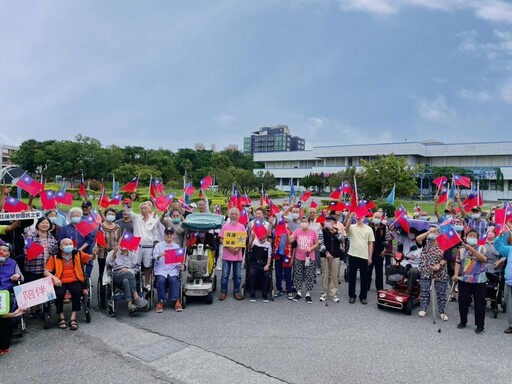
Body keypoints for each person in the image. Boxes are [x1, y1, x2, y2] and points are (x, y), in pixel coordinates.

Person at [44, 238, 90, 330]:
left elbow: (89, 258)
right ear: (60, 247)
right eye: (66, 244)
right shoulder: (54, 257)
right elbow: (46, 272)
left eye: (70, 244)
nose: (69, 246)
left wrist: (94, 254)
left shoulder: (78, 254)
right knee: (58, 294)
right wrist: (54, 278)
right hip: (60, 280)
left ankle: (73, 317)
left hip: (75, 279)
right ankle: (61, 316)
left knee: (77, 291)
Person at [453, 229, 488, 334]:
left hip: (479, 280)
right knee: (463, 302)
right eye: (470, 236)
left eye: (474, 236)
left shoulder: (482, 248)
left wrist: (471, 250)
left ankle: (480, 325)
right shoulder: (461, 250)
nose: (471, 238)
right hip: (464, 279)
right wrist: (455, 274)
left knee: (479, 303)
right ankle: (463, 321)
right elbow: (458, 262)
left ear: (477, 239)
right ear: (466, 237)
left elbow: (484, 259)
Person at [416, 225, 449, 320]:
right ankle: (423, 308)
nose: (433, 233)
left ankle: (442, 311)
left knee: (441, 292)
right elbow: (418, 239)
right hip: (426, 268)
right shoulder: (426, 241)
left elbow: (447, 257)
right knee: (424, 290)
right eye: (432, 232)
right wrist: (428, 233)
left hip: (440, 270)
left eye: (435, 232)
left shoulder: (444, 241)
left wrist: (439, 265)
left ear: (439, 233)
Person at [127, 200, 160, 291]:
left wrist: (155, 246)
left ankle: (147, 283)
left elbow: (155, 234)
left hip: (148, 246)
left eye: (145, 208)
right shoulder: (136, 218)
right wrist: (130, 201)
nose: (143, 210)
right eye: (141, 208)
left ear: (149, 209)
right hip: (137, 245)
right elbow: (128, 211)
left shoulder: (154, 221)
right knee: (134, 265)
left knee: (147, 266)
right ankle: (135, 283)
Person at [106, 245, 149, 313]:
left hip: (129, 274)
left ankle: (129, 303)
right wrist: (114, 253)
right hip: (117, 274)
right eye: (121, 243)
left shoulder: (132, 254)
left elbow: (136, 268)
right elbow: (108, 263)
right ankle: (136, 296)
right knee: (129, 274)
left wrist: (128, 270)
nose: (123, 245)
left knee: (126, 280)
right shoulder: (113, 252)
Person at [0, 242, 24, 355]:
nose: (2, 252)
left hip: (7, 291)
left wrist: (17, 276)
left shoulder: (12, 263)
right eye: (0, 250)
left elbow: (21, 277)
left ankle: (4, 346)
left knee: (6, 311)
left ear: (9, 253)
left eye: (5, 250)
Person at [345, 212, 375, 304]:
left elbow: (371, 243)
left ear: (364, 217)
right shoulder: (352, 227)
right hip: (353, 255)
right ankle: (352, 295)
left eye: (361, 216)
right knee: (352, 277)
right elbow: (346, 228)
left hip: (364, 256)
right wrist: (350, 217)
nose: (359, 218)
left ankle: (363, 296)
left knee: (364, 278)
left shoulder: (369, 229)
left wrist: (370, 257)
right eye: (357, 216)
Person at [153, 227, 184, 312]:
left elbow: (178, 262)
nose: (169, 235)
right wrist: (160, 255)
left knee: (174, 279)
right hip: (161, 270)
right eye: (167, 233)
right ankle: (160, 302)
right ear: (164, 235)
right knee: (161, 280)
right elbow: (154, 257)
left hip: (172, 270)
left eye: (171, 234)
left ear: (173, 235)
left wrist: (181, 266)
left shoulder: (176, 246)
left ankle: (177, 301)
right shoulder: (158, 246)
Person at [218, 208, 246, 301]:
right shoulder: (225, 226)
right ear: (229, 215)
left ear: (238, 216)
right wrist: (229, 248)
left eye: (235, 214)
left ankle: (236, 292)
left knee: (237, 275)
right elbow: (221, 239)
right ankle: (223, 292)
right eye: (232, 214)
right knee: (225, 275)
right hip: (227, 255)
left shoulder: (242, 227)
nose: (234, 216)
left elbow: (243, 240)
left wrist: (238, 248)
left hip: (237, 255)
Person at [289, 217, 319, 303]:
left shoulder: (312, 232)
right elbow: (290, 239)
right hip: (299, 256)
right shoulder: (297, 231)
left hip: (309, 257)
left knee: (309, 275)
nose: (304, 223)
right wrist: (286, 231)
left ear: (308, 223)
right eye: (302, 222)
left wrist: (311, 247)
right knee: (298, 274)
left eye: (305, 222)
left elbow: (317, 243)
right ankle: (298, 292)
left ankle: (308, 293)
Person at [318, 215, 345, 302]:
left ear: (334, 223)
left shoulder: (337, 231)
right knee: (325, 275)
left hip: (336, 256)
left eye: (330, 221)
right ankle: (324, 293)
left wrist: (335, 233)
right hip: (325, 256)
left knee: (334, 276)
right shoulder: (322, 231)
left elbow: (341, 240)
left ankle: (334, 294)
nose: (328, 222)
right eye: (327, 221)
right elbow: (320, 243)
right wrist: (326, 252)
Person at [25, 217, 59, 283]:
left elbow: (54, 252)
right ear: (38, 224)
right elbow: (25, 251)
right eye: (43, 223)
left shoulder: (52, 238)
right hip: (33, 268)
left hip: (47, 269)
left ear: (50, 225)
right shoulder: (30, 236)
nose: (45, 225)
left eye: (47, 223)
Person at [95, 208, 122, 282]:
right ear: (105, 215)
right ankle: (102, 288)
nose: (111, 216)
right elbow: (96, 239)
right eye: (109, 214)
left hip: (114, 254)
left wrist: (118, 247)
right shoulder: (100, 227)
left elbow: (119, 239)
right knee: (102, 272)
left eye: (113, 214)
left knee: (113, 272)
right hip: (102, 253)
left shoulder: (117, 227)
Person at [493, 229, 512, 334]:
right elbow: (498, 246)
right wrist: (499, 236)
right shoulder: (510, 249)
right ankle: (511, 324)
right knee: (509, 303)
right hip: (509, 281)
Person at [247, 232, 272, 302]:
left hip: (264, 264)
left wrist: (267, 265)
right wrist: (251, 239)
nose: (262, 240)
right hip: (254, 263)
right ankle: (252, 294)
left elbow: (269, 256)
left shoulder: (268, 244)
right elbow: (249, 248)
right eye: (261, 238)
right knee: (252, 273)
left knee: (267, 275)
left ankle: (265, 295)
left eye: (264, 238)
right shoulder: (255, 241)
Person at [368, 211, 388, 291]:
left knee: (379, 270)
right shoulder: (369, 226)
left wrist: (385, 250)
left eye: (378, 217)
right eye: (375, 217)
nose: (376, 219)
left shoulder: (384, 227)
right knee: (368, 270)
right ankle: (366, 286)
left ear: (381, 218)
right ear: (372, 217)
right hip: (369, 251)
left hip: (379, 251)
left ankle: (379, 288)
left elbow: (387, 240)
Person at [273, 223, 293, 299]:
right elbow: (271, 239)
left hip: (287, 255)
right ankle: (279, 289)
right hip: (278, 254)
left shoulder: (290, 232)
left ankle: (289, 290)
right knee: (278, 273)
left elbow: (293, 246)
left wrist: (292, 258)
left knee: (288, 273)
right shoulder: (276, 231)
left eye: (286, 222)